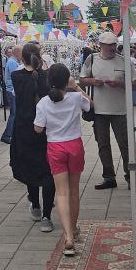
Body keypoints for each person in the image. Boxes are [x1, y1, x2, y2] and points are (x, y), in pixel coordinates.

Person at [34, 63, 91, 257]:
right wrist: (75, 86)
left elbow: (38, 129)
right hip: (74, 145)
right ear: (67, 79)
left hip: (55, 147)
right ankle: (73, 229)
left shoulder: (43, 102)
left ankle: (67, 236)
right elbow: (90, 104)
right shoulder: (75, 98)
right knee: (74, 191)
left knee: (62, 193)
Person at [79, 31, 134, 190]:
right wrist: (93, 81)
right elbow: (82, 80)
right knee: (103, 144)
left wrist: (121, 84)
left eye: (114, 44)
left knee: (125, 144)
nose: (112, 48)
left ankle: (130, 176)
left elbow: (135, 85)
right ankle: (109, 177)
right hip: (99, 110)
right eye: (108, 45)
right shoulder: (92, 59)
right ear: (100, 46)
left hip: (120, 109)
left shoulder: (124, 61)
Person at [10, 42, 55, 234]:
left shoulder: (17, 77)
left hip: (24, 129)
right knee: (47, 171)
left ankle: (35, 204)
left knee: (29, 167)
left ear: (22, 58)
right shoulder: (46, 76)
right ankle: (47, 216)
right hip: (46, 129)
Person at [1, 45, 21, 144]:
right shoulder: (13, 62)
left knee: (14, 113)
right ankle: (7, 135)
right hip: (12, 90)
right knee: (14, 113)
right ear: (17, 53)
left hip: (11, 90)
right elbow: (16, 78)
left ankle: (9, 134)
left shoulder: (13, 61)